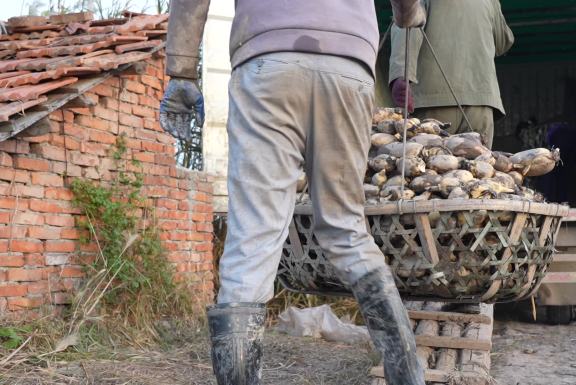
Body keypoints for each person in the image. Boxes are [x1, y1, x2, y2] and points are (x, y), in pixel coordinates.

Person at [160, 1, 428, 384]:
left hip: (267, 61)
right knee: (346, 228)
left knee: (254, 233)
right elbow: (407, 9)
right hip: (348, 64)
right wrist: (407, 13)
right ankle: (408, 378)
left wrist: (183, 71)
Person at [389, 0, 514, 148]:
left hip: (434, 101)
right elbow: (504, 41)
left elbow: (407, 24)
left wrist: (402, 75)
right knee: (479, 167)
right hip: (481, 103)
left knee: (431, 166)